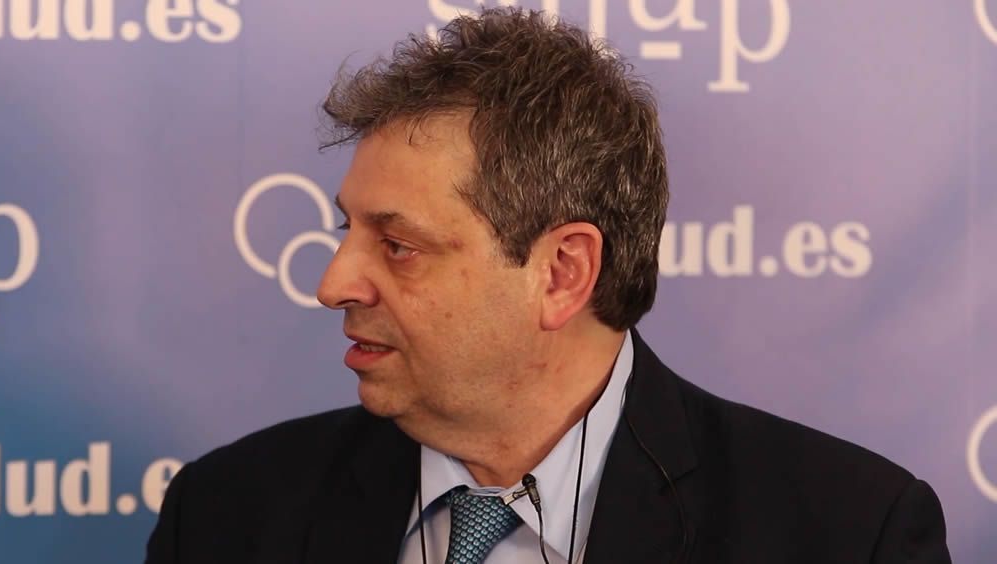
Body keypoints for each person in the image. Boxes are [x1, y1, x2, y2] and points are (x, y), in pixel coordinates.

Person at [145, 7, 950, 563]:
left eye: (397, 245)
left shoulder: (848, 532)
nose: (333, 285)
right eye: (345, 232)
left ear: (562, 273)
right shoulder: (226, 516)